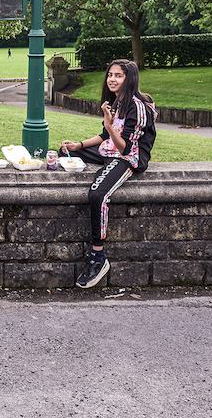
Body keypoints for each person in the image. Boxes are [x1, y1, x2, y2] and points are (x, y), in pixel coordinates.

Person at [60, 58, 157, 289]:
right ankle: (74, 152)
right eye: (110, 75)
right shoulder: (117, 100)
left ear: (129, 79)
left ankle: (98, 256)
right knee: (64, 153)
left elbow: (126, 147)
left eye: (118, 76)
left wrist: (110, 125)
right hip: (111, 149)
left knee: (97, 194)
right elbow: (105, 135)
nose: (112, 79)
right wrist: (79, 146)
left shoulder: (138, 107)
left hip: (128, 157)